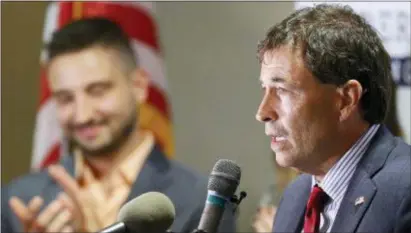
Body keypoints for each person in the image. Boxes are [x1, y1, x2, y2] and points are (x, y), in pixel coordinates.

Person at [1, 18, 236, 233]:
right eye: (65, 98)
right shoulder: (19, 199)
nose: (83, 115)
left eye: (98, 91)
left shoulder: (203, 202)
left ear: (139, 86)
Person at [255, 4, 410, 233]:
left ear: (346, 100)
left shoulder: (405, 191)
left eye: (282, 90)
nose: (262, 112)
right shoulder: (295, 197)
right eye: (264, 89)